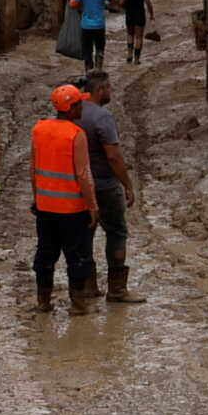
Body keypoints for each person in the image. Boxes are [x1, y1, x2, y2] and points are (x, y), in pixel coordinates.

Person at [77, 69, 145, 302]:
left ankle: (88, 286)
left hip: (81, 185)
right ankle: (116, 289)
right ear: (100, 90)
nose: (111, 92)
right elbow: (114, 156)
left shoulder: (75, 112)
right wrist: (127, 184)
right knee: (116, 232)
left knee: (85, 233)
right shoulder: (102, 117)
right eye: (109, 88)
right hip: (105, 185)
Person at [30, 83, 99, 312]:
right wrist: (92, 205)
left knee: (45, 254)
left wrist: (37, 197)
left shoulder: (39, 129)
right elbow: (83, 174)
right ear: (71, 108)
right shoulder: (76, 134)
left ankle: (43, 301)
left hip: (45, 207)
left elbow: (33, 169)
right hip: (72, 209)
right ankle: (78, 304)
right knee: (76, 257)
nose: (83, 107)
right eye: (80, 103)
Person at [68, 0, 114, 71]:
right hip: (99, 26)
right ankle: (98, 70)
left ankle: (89, 74)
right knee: (100, 50)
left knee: (87, 52)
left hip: (86, 27)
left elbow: (73, 5)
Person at [121, 0, 154, 64]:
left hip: (129, 15)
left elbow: (121, 2)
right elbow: (148, 3)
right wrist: (151, 15)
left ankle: (129, 54)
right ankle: (136, 59)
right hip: (140, 15)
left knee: (130, 35)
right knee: (139, 37)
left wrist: (126, 7)